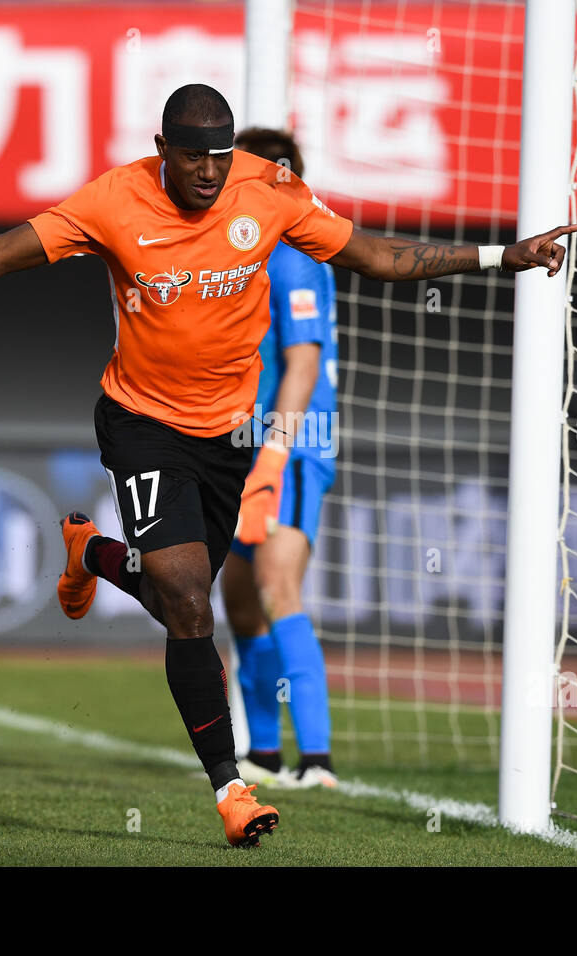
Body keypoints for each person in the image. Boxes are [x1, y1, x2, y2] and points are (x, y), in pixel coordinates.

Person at [0, 83, 577, 847]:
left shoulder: (270, 189)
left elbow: (376, 256)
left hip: (229, 438)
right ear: (163, 152)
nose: (211, 173)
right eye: (194, 158)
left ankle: (91, 551)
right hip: (142, 424)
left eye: (220, 157)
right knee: (189, 602)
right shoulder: (113, 201)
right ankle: (232, 791)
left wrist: (501, 254)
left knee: (177, 602)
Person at [219, 128, 339, 789]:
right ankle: (263, 754)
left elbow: (302, 362)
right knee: (238, 602)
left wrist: (275, 453)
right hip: (244, 446)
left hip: (290, 447)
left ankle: (316, 759)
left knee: (276, 588)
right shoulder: (255, 244)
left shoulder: (291, 249)